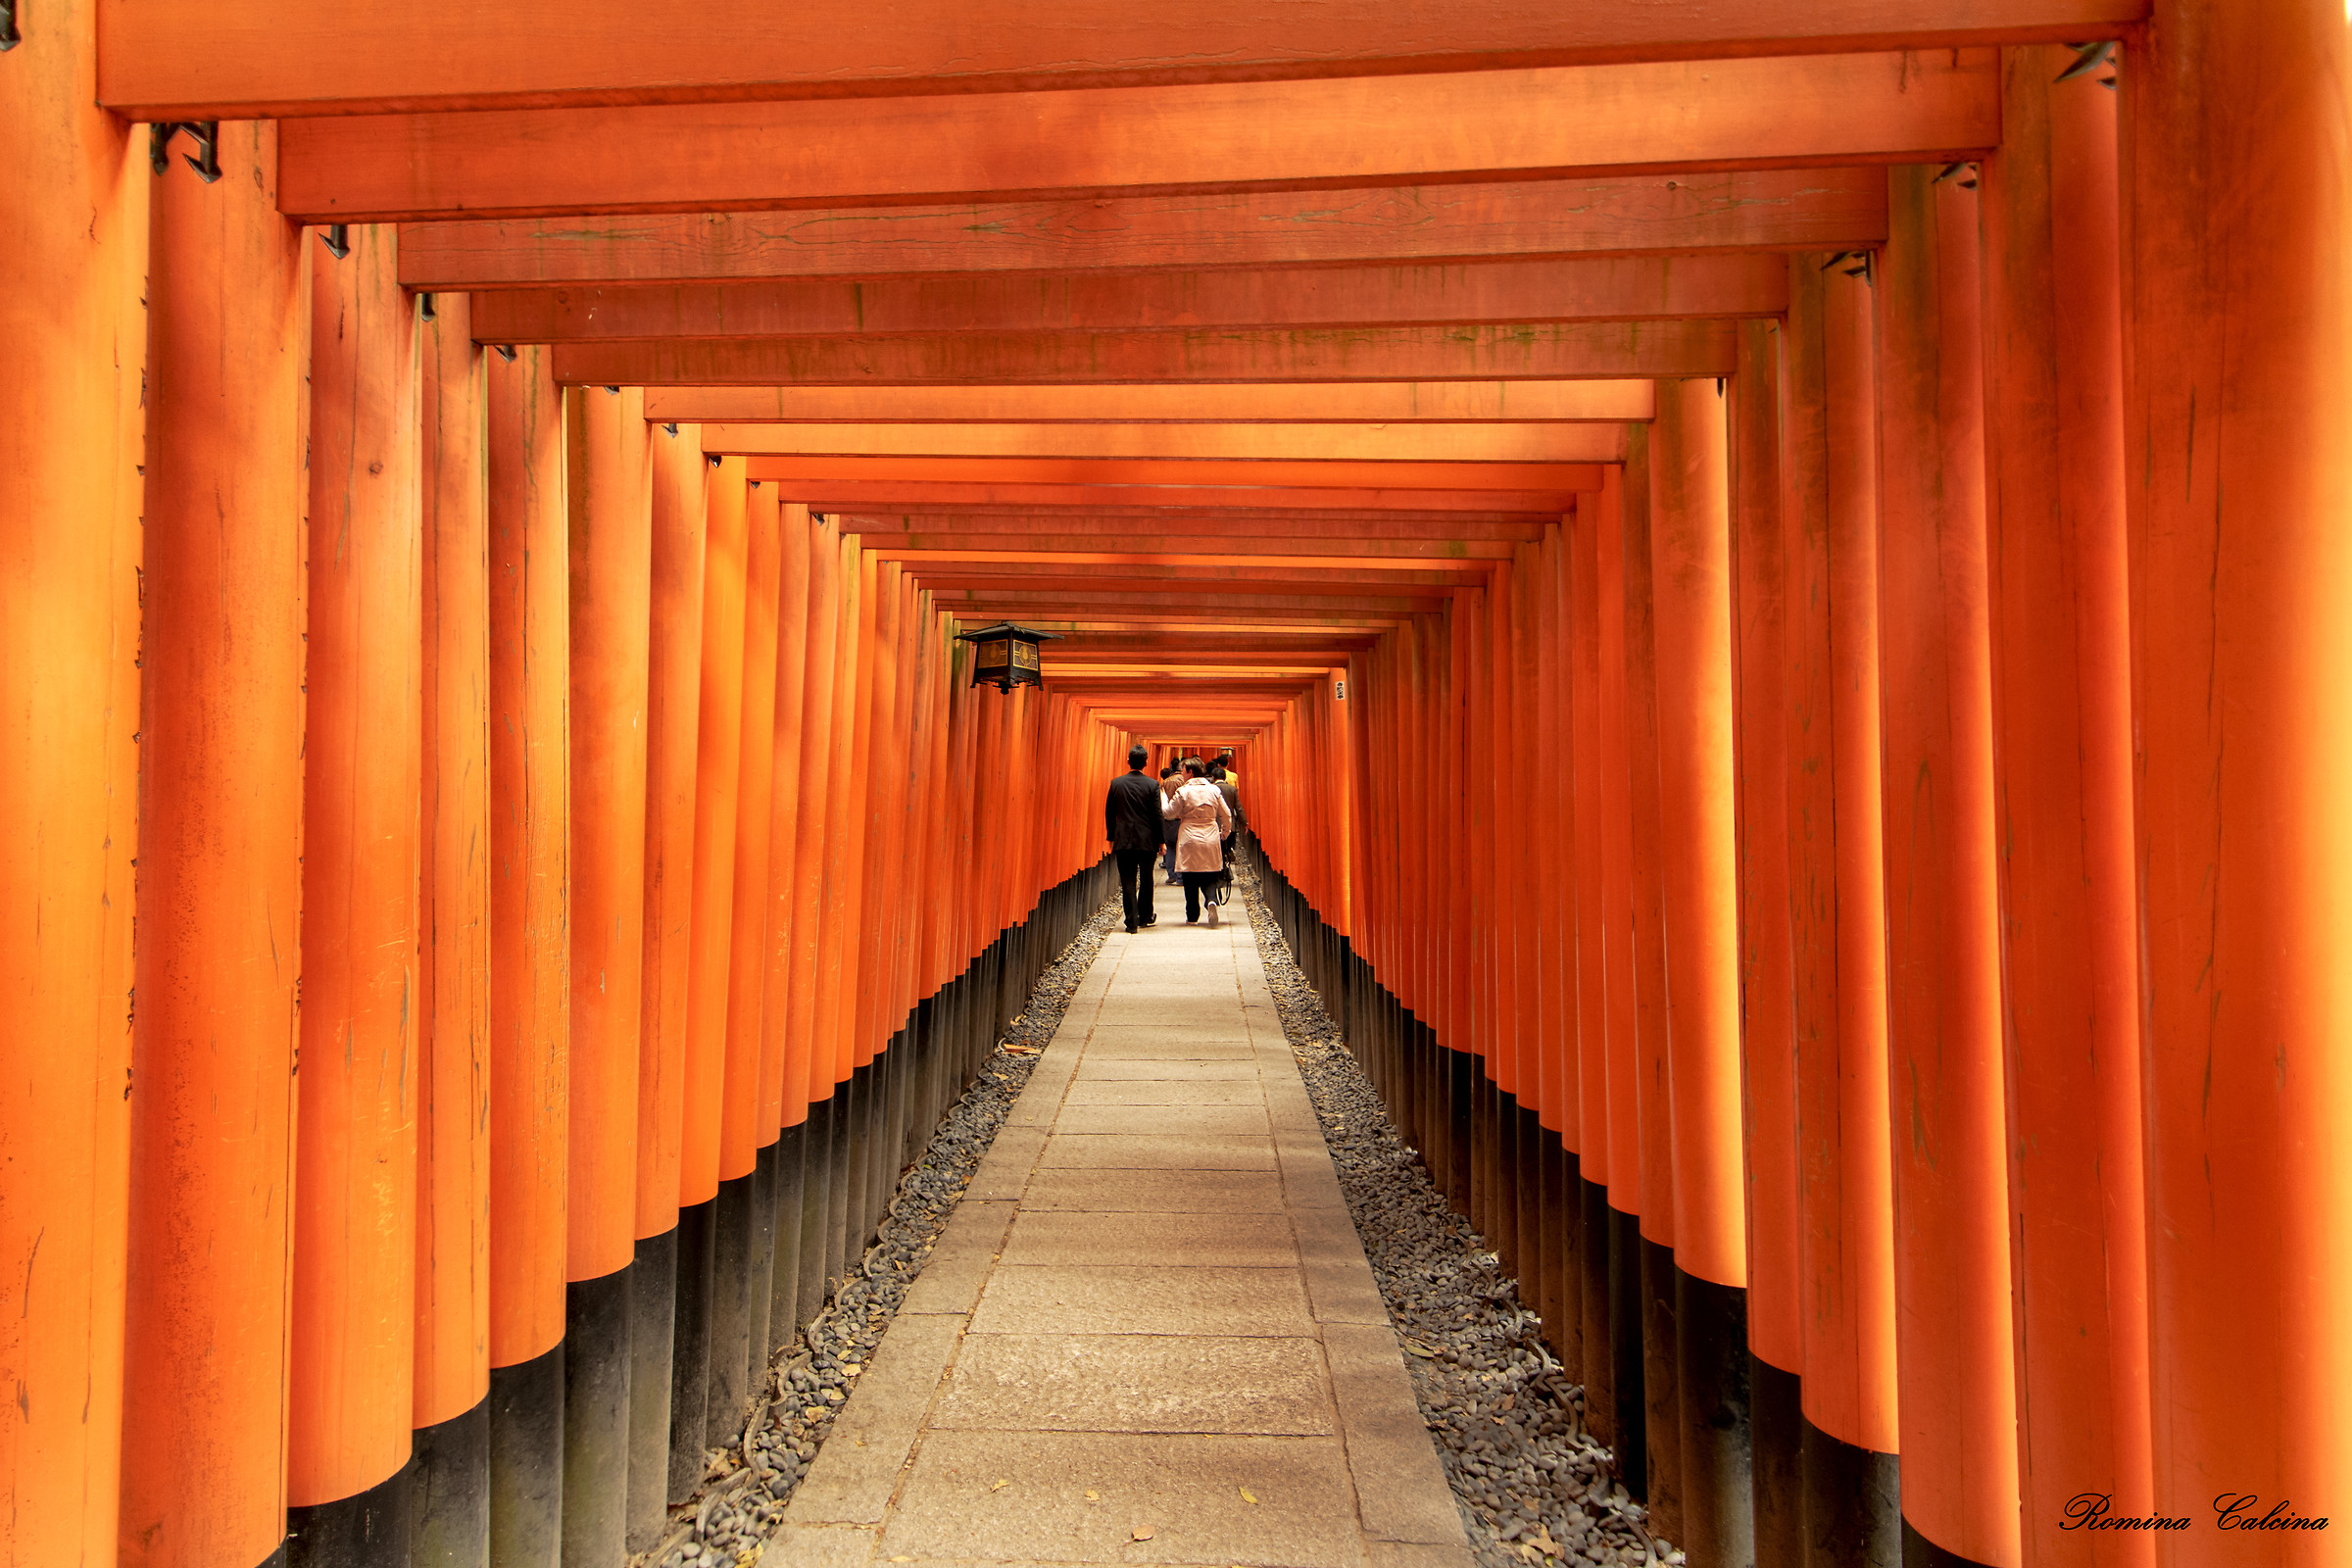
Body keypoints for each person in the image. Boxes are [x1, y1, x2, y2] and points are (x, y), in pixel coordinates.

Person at [1162, 758, 1236, 926]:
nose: (1181, 774)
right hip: (1210, 833)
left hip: (1189, 835)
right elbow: (1226, 814)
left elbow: (1169, 813)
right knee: (1210, 873)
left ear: (1190, 772)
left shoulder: (1183, 791)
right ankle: (1211, 900)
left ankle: (1192, 916)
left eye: (1183, 771)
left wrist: (1163, 799)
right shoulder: (1214, 790)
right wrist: (1224, 833)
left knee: (1189, 876)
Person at [1103, 744, 1164, 933]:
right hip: (1147, 840)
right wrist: (1161, 841)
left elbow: (1109, 813)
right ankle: (1145, 916)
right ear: (1145, 763)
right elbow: (1157, 815)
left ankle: (1131, 922)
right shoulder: (1152, 784)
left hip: (1124, 839)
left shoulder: (1117, 783)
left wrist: (1111, 836)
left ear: (1128, 761)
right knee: (1147, 878)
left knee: (1128, 880)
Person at [1158, 763, 1184, 883]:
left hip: (1168, 820)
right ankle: (1181, 877)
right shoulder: (1187, 782)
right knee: (1182, 849)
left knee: (1170, 847)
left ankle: (1172, 874)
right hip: (1183, 820)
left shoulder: (1165, 782)